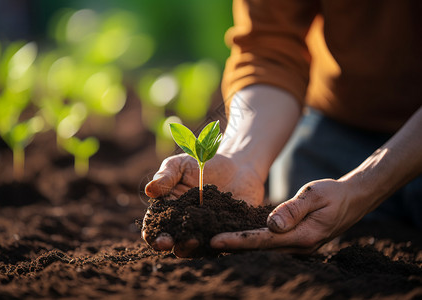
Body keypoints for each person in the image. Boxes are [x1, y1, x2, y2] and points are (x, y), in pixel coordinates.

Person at [142, 0, 422, 257]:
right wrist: (241, 157)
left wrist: (363, 188)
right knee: (298, 187)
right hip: (341, 124)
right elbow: (269, 51)